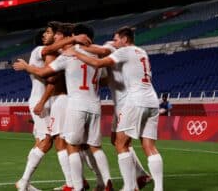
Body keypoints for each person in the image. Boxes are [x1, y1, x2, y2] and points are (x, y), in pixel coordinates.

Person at [14, 24, 114, 191]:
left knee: (68, 144)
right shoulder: (79, 54)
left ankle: (75, 183)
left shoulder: (66, 55)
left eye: (51, 33)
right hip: (82, 103)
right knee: (77, 144)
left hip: (63, 101)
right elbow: (104, 67)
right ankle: (93, 180)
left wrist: (28, 68)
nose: (48, 35)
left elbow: (50, 79)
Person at [63, 26, 163, 191]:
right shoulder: (141, 52)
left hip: (132, 101)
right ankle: (153, 184)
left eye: (116, 39)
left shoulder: (121, 50)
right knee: (147, 145)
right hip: (151, 99)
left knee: (121, 143)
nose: (114, 42)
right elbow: (106, 73)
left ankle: (130, 186)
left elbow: (98, 60)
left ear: (124, 40)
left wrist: (76, 50)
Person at [15, 21, 61, 191]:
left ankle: (26, 183)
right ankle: (23, 181)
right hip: (41, 101)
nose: (47, 35)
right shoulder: (39, 51)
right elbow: (50, 80)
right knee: (46, 141)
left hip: (46, 101)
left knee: (46, 141)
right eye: (47, 33)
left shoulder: (51, 54)